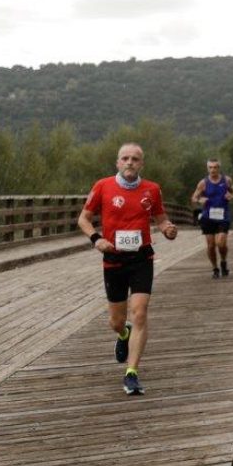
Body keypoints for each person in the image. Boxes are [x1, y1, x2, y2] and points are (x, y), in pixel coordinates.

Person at [77, 142, 179, 396]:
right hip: (114, 259)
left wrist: (168, 229)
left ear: (141, 164)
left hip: (142, 258)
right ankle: (124, 334)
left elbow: (161, 218)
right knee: (116, 322)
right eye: (125, 158)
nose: (130, 162)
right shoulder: (103, 186)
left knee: (140, 312)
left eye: (135, 159)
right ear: (118, 162)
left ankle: (131, 373)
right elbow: (84, 218)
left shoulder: (152, 189)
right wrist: (96, 239)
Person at [190, 159, 233, 278]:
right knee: (210, 246)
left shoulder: (226, 180)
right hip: (208, 217)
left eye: (215, 167)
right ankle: (215, 268)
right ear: (207, 168)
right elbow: (194, 198)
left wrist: (230, 195)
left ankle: (223, 261)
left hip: (223, 216)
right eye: (210, 167)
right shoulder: (203, 183)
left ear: (219, 168)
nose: (213, 170)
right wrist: (199, 200)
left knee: (221, 243)